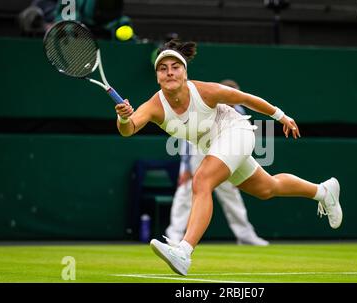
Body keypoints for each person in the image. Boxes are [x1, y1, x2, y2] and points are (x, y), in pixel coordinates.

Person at [115, 39, 343, 276]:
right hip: (216, 146)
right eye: (163, 68)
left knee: (202, 180)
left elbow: (244, 98)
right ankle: (323, 192)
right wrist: (123, 118)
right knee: (267, 188)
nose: (169, 72)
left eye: (175, 66)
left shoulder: (205, 91)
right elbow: (129, 129)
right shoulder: (154, 105)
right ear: (157, 76)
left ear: (185, 72)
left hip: (236, 132)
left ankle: (183, 251)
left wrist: (281, 116)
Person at [165, 79, 269, 247]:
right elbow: (186, 138)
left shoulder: (240, 112)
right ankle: (175, 234)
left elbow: (242, 143)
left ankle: (245, 235)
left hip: (227, 157)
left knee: (232, 197)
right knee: (186, 193)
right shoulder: (208, 105)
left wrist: (239, 169)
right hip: (199, 153)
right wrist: (185, 168)